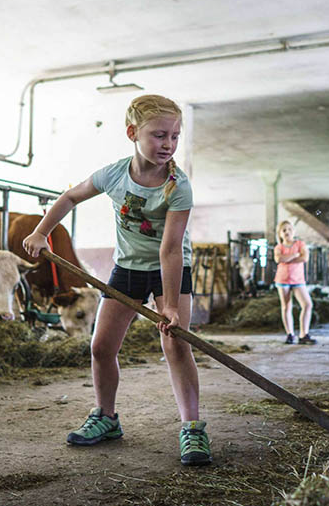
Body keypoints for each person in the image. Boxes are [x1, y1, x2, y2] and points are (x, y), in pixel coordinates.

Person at [22, 94, 211, 466]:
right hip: (127, 270)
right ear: (132, 133)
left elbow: (171, 250)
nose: (168, 144)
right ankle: (106, 418)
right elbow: (71, 196)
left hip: (170, 271)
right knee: (101, 347)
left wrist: (170, 304)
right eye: (159, 135)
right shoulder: (113, 174)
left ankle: (192, 429)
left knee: (175, 346)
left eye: (174, 136)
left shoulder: (178, 186)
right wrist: (42, 232)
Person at [273, 220, 316, 345]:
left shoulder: (300, 244)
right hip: (283, 280)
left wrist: (287, 258)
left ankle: (303, 334)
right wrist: (295, 255)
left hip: (298, 280)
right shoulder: (279, 247)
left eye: (289, 229)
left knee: (307, 304)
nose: (287, 232)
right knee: (286, 306)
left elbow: (305, 258)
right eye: (284, 230)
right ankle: (290, 334)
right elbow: (278, 259)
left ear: (294, 231)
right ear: (280, 234)